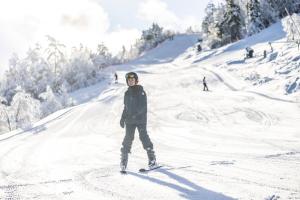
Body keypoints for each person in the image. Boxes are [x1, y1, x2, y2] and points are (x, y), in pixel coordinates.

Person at [119, 72, 157, 171]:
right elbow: (126, 107)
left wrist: (135, 114)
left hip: (140, 120)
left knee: (143, 137)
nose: (131, 81)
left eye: (132, 80)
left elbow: (143, 106)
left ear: (136, 81)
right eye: (129, 80)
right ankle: (123, 161)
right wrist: (123, 118)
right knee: (128, 138)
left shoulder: (141, 92)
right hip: (129, 121)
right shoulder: (127, 93)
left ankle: (152, 159)